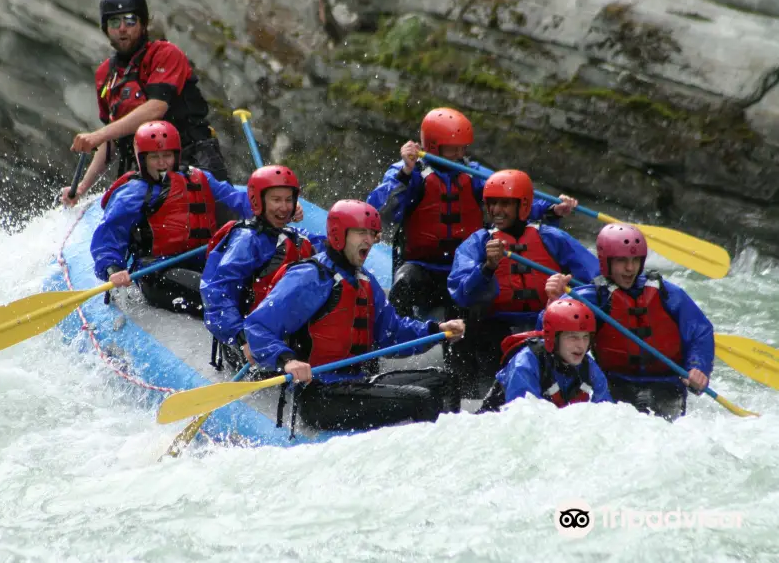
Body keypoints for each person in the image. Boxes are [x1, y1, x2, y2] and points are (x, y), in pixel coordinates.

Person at [244, 200, 465, 433]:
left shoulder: (364, 281)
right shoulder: (311, 276)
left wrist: (436, 331)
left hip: (356, 384)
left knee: (446, 382)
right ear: (339, 234)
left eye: (372, 234)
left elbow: (392, 331)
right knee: (420, 399)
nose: (369, 241)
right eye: (361, 233)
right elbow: (257, 326)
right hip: (320, 394)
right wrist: (287, 361)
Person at [366, 107, 578, 319]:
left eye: (463, 149)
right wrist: (405, 173)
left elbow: (511, 196)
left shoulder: (472, 172)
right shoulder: (409, 171)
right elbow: (380, 210)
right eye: (453, 150)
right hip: (420, 266)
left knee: (475, 293)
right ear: (432, 147)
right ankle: (393, 339)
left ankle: (460, 345)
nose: (459, 155)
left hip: (464, 267)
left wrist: (550, 208)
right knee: (405, 282)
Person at [61, 0, 230, 207]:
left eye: (130, 21)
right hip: (146, 172)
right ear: (105, 28)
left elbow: (156, 108)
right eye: (114, 23)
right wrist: (82, 187)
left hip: (195, 162)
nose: (122, 29)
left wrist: (98, 135)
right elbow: (110, 141)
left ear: (143, 24)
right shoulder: (105, 74)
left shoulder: (165, 54)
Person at [446, 169, 599, 397]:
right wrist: (487, 268)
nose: (497, 210)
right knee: (464, 328)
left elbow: (596, 280)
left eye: (505, 204)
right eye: (492, 203)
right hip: (496, 328)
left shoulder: (551, 237)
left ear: (524, 206)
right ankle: (468, 395)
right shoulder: (478, 242)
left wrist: (565, 295)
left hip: (546, 323)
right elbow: (462, 293)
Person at [543, 223, 713, 420]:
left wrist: (698, 367)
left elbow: (700, 331)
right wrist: (553, 302)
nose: (630, 268)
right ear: (606, 261)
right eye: (622, 260)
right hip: (615, 384)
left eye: (635, 260)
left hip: (667, 385)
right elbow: (549, 333)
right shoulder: (593, 297)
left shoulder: (667, 294)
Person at [90, 121, 252, 314]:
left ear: (176, 155)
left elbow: (234, 198)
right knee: (222, 294)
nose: (162, 163)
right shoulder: (133, 193)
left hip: (203, 260)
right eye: (154, 157)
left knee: (250, 285)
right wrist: (113, 269)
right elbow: (108, 237)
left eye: (167, 156)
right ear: (142, 159)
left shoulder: (199, 177)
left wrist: (268, 208)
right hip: (159, 271)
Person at [200, 165, 323, 371]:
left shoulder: (295, 236)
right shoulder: (246, 240)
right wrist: (242, 338)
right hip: (247, 342)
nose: (284, 208)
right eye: (276, 200)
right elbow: (216, 293)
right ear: (258, 202)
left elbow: (329, 249)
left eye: (288, 200)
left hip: (282, 335)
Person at [478, 300, 611, 412]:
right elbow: (522, 419)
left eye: (585, 337)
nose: (581, 345)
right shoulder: (525, 364)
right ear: (553, 339)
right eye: (573, 337)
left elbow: (608, 413)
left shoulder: (589, 367)